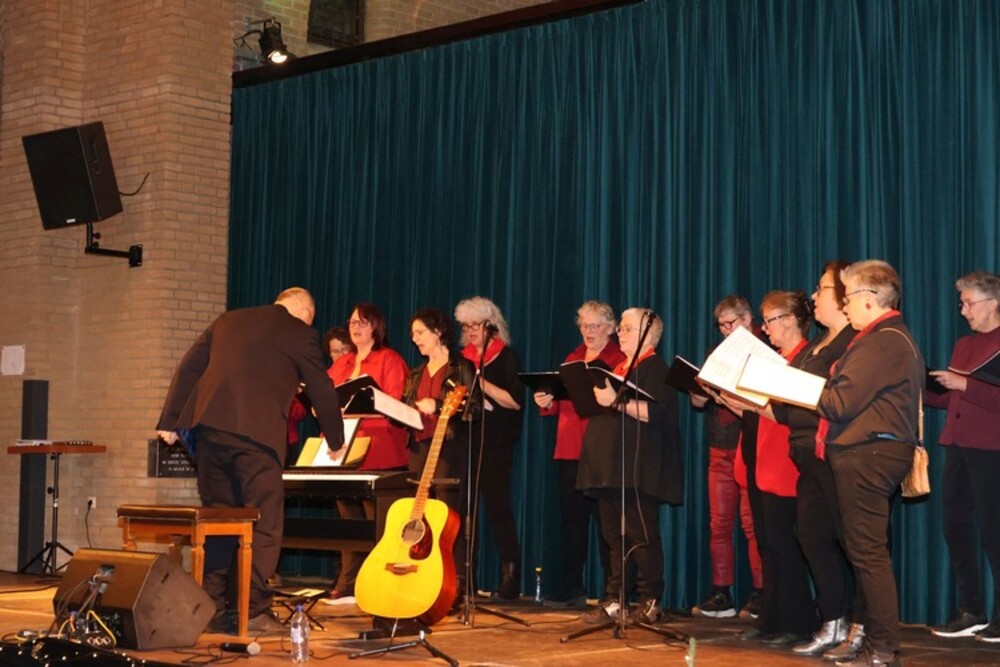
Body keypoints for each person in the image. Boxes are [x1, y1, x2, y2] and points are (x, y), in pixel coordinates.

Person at [155, 287, 344, 634]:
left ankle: (211, 608)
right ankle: (251, 610)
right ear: (305, 312)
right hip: (257, 439)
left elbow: (189, 367)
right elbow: (321, 386)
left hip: (209, 433)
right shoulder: (299, 332)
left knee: (220, 520)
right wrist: (335, 439)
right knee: (264, 522)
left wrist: (170, 421)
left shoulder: (229, 320)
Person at [815, 260, 923, 667]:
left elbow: (839, 403)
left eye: (848, 298)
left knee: (868, 555)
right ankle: (878, 644)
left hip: (867, 454)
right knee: (866, 553)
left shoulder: (880, 342)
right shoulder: (890, 338)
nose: (844, 306)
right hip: (874, 452)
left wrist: (798, 387)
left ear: (869, 299)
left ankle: (882, 648)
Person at [766, 263, 861, 658]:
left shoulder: (854, 342)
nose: (815, 296)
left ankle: (862, 626)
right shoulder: (820, 343)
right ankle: (833, 619)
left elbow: (841, 398)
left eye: (822, 289)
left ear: (844, 295)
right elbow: (787, 407)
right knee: (812, 537)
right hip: (807, 454)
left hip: (837, 455)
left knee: (855, 543)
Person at [577, 307, 684, 624]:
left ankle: (650, 600)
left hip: (638, 468)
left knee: (641, 535)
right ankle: (616, 598)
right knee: (613, 537)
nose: (619, 333)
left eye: (626, 328)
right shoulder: (618, 368)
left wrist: (617, 401)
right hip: (609, 467)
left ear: (647, 335)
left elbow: (655, 413)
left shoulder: (655, 367)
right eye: (620, 328)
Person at [723, 292, 817, 645]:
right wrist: (734, 400)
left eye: (770, 320)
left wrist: (753, 404)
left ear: (790, 320)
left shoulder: (804, 360)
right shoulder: (776, 360)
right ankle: (772, 618)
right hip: (762, 458)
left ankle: (796, 621)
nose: (765, 328)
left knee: (783, 544)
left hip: (785, 462)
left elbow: (793, 415)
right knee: (767, 543)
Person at [533, 301, 624, 605]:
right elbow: (560, 401)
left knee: (608, 524)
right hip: (570, 448)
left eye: (594, 325)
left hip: (602, 450)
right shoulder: (572, 359)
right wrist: (547, 402)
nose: (588, 331)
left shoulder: (618, 359)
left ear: (610, 328)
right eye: (584, 325)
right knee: (572, 522)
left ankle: (614, 591)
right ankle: (572, 586)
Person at [927, 271, 1000, 642]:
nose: (963, 310)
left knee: (994, 531)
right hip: (958, 444)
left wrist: (965, 384)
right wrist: (921, 387)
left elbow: (978, 393)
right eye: (962, 303)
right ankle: (971, 608)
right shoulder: (964, 344)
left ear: (993, 303)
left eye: (969, 303)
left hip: (991, 448)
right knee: (954, 525)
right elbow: (953, 398)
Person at [326, 302, 409, 600]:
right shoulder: (342, 363)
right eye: (352, 322)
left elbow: (395, 403)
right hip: (342, 450)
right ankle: (348, 581)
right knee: (348, 522)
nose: (355, 327)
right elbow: (324, 399)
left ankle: (382, 582)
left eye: (362, 322)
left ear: (375, 326)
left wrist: (359, 406)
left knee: (379, 525)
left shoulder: (389, 359)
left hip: (379, 450)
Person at [690, 295, 764, 620]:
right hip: (719, 445)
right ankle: (721, 592)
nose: (725, 331)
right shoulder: (715, 354)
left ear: (748, 320)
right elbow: (699, 402)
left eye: (730, 324)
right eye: (720, 325)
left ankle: (762, 592)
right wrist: (697, 394)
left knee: (752, 523)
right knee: (719, 523)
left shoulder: (765, 352)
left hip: (749, 445)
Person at [402, 308, 478, 597]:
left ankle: (456, 583)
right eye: (413, 334)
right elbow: (406, 404)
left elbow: (474, 407)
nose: (415, 338)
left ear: (438, 332)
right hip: (419, 446)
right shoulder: (416, 372)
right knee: (416, 515)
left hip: (449, 446)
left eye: (420, 332)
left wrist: (438, 405)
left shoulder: (460, 367)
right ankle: (417, 576)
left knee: (449, 516)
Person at [454, 296, 525, 600]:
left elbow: (516, 401)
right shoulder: (461, 360)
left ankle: (510, 577)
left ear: (492, 326)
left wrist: (481, 383)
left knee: (497, 507)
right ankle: (463, 578)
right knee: (462, 511)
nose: (470, 331)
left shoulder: (506, 357)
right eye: (466, 326)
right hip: (465, 440)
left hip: (496, 443)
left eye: (476, 325)